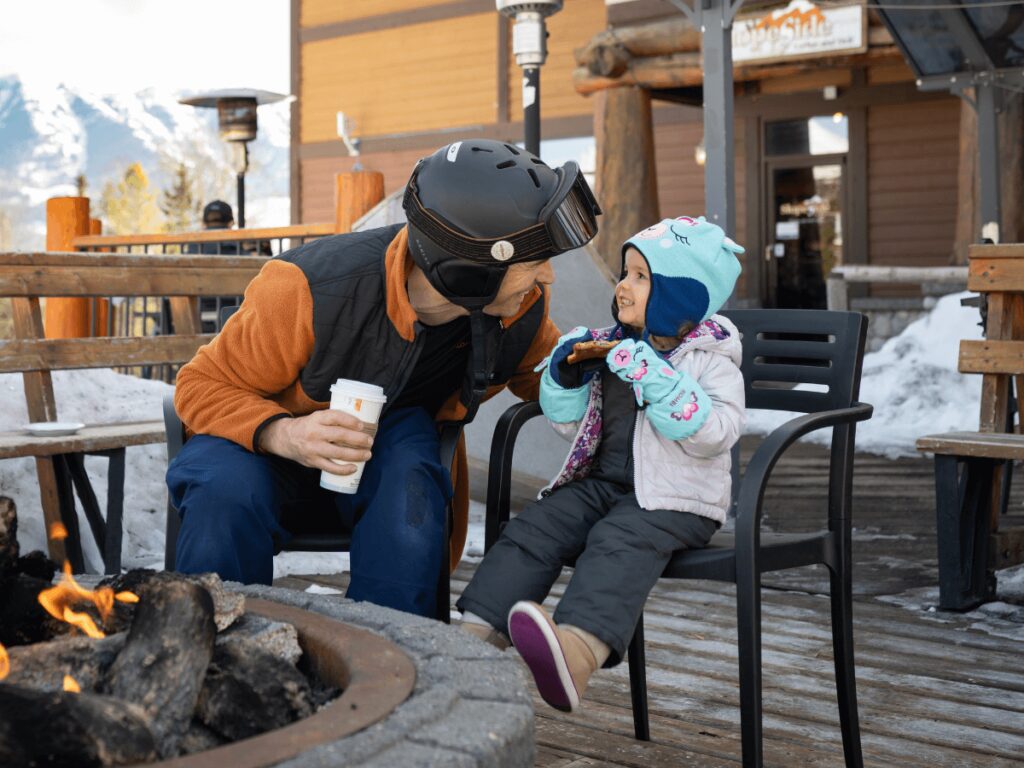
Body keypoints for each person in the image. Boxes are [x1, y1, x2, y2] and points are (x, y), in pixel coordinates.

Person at [166, 139, 602, 618]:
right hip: (260, 454)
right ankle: (208, 652)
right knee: (223, 489)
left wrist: (619, 368)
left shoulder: (518, 309)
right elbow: (199, 385)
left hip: (383, 466)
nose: (548, 278)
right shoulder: (307, 288)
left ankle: (396, 661)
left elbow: (551, 373)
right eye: (533, 260)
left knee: (410, 466)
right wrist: (284, 434)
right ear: (467, 272)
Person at [456, 215, 746, 712]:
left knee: (619, 540)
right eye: (624, 273)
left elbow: (715, 435)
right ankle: (469, 642)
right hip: (604, 483)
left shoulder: (710, 359)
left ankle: (577, 654)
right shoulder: (612, 344)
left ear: (679, 294)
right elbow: (570, 427)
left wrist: (658, 380)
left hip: (676, 501)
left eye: (640, 277)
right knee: (539, 525)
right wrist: (565, 376)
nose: (622, 287)